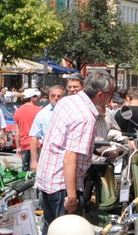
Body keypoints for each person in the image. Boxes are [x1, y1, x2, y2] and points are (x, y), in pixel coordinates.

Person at [36, 73, 112, 225]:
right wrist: (72, 197)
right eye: (111, 94)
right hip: (62, 184)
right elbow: (70, 157)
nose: (112, 97)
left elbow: (62, 140)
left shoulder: (68, 100)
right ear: (100, 94)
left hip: (48, 177)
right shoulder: (85, 117)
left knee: (51, 233)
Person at [14, 89, 42, 172]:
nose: (37, 99)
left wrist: (18, 146)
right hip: (37, 143)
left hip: (24, 143)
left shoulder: (18, 111)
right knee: (36, 169)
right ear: (32, 98)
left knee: (25, 170)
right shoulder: (39, 110)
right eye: (36, 97)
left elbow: (17, 132)